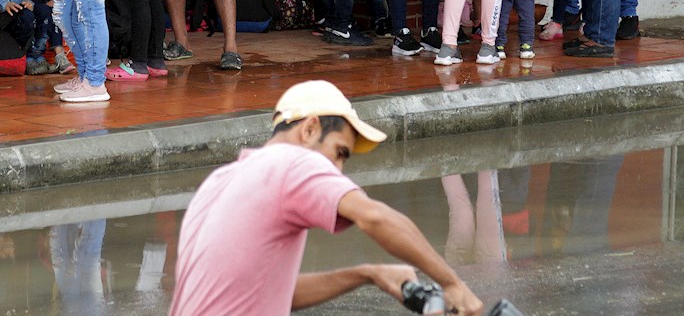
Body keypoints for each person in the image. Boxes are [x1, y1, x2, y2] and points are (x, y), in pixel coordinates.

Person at [169, 80, 483, 316]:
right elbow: (375, 217)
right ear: (310, 129)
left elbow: (270, 293)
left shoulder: (219, 180)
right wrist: (451, 282)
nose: (339, 169)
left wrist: (369, 274)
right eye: (339, 152)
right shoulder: (295, 162)